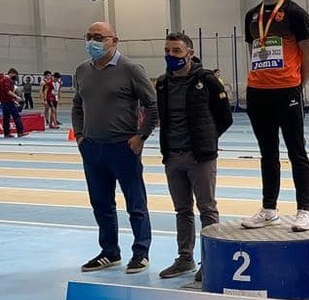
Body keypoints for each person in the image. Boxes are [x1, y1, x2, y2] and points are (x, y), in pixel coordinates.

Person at [72, 21, 158, 274]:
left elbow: (151, 105)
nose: (93, 41)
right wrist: (79, 135)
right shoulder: (81, 70)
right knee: (101, 203)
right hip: (92, 148)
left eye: (99, 37)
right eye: (89, 36)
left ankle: (141, 252)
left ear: (114, 41)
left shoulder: (131, 69)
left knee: (135, 203)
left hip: (123, 148)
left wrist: (141, 137)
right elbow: (78, 104)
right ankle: (109, 251)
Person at [240, 0, 309, 231]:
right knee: (267, 153)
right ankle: (269, 208)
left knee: (297, 151)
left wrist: (298, 83)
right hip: (257, 92)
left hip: (287, 91)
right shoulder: (251, 16)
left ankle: (304, 211)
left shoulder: (296, 14)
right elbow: (253, 52)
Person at [155, 32, 233, 280]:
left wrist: (206, 141)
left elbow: (224, 117)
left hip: (200, 157)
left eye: (176, 51)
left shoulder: (206, 80)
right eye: (167, 50)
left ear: (190, 53)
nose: (171, 55)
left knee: (207, 209)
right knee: (182, 210)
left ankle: (211, 261)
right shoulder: (162, 83)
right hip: (173, 157)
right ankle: (185, 259)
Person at [0, 68, 26, 138]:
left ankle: (6, 133)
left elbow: (5, 92)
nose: (14, 77)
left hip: (4, 101)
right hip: (8, 101)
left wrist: (13, 100)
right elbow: (8, 91)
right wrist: (16, 97)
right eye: (14, 75)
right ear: (11, 73)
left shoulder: (3, 79)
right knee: (16, 116)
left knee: (6, 118)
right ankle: (20, 132)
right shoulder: (7, 80)